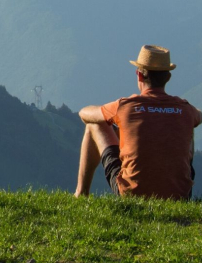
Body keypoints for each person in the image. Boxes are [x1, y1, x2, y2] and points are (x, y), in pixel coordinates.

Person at [75, 45, 201, 200]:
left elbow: (84, 114)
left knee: (94, 125)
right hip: (179, 195)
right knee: (188, 126)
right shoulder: (186, 110)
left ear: (139, 75)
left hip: (132, 193)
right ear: (168, 78)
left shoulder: (126, 107)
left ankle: (81, 194)